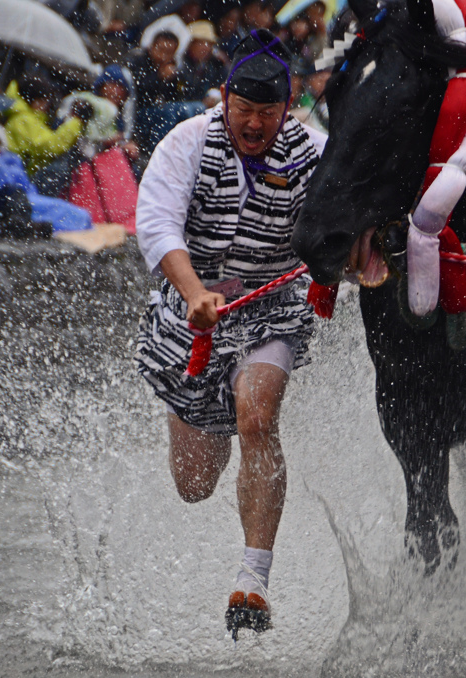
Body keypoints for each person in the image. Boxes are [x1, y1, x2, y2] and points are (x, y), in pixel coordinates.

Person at [133, 29, 326, 637]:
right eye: (243, 111)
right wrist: (194, 294)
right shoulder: (186, 142)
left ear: (286, 109)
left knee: (258, 416)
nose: (254, 123)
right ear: (225, 103)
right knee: (193, 484)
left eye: (266, 113)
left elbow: (346, 217)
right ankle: (199, 424)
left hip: (272, 305)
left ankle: (253, 581)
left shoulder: (313, 151)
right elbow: (157, 226)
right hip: (193, 311)